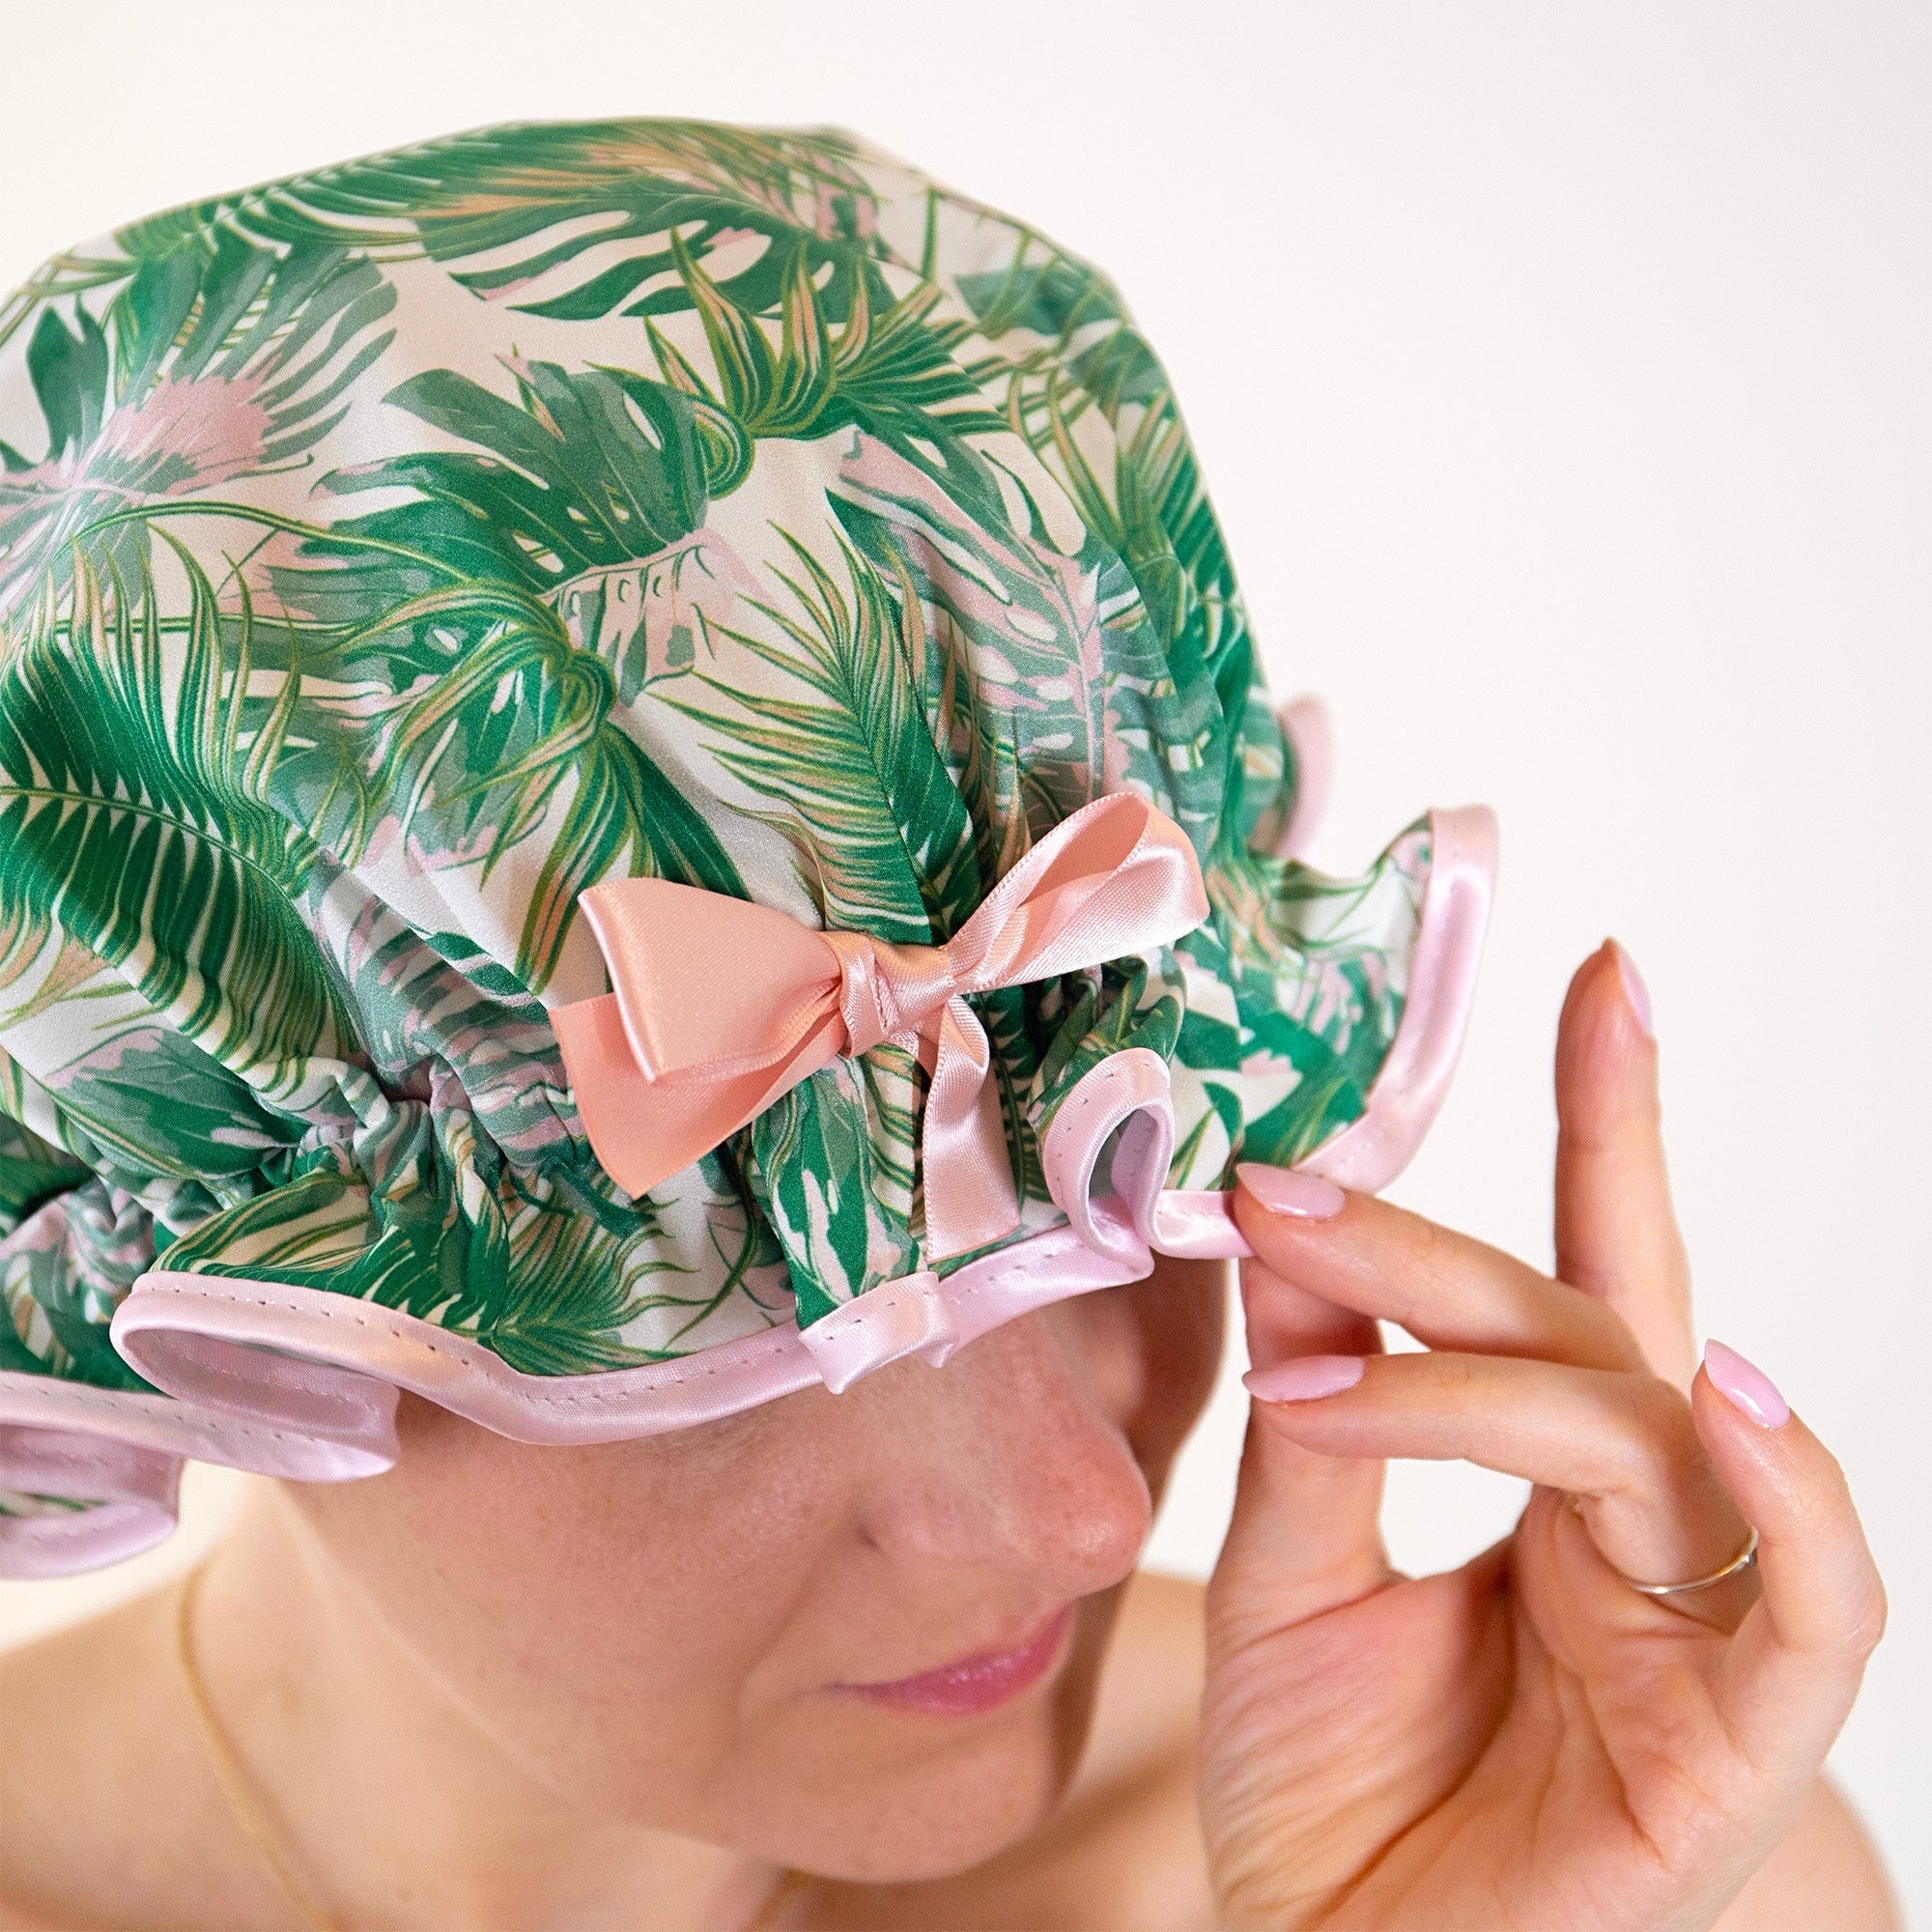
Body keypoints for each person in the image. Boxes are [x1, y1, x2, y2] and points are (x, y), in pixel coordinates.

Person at [0, 121, 1895, 1929]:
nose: (1082, 1516)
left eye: (1099, 1207)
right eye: (750, 1318)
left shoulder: (1593, 1854)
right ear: (241, 1287)